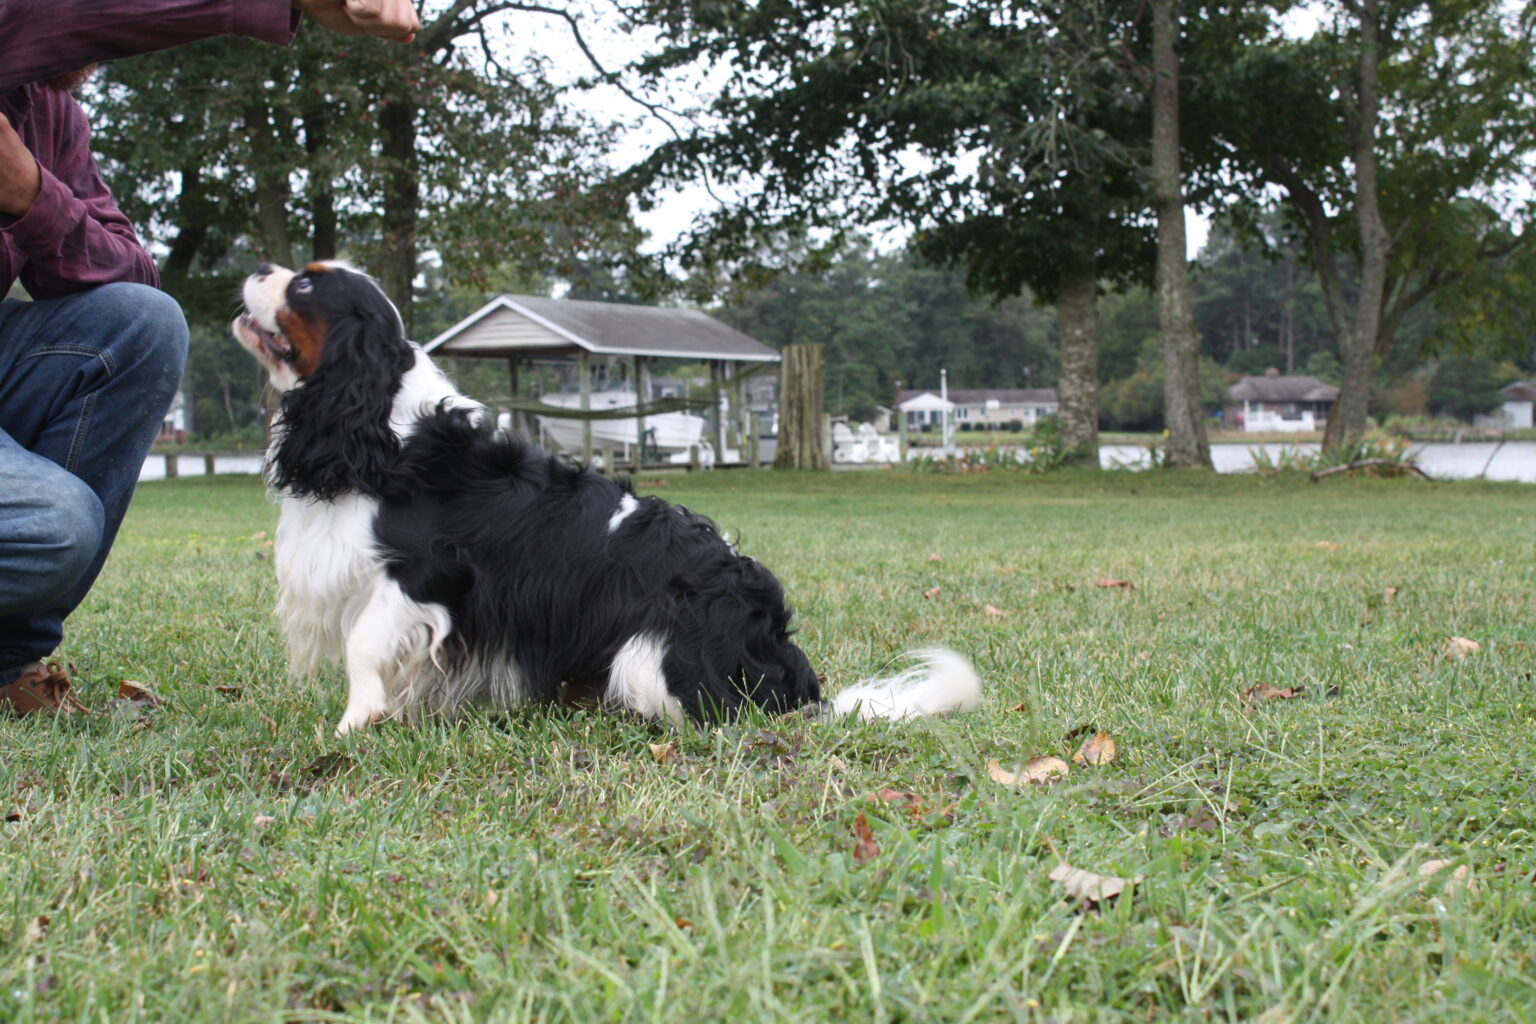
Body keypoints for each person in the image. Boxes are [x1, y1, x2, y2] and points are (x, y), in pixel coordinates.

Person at [0, 0, 421, 715]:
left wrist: (34, 197)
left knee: (146, 322)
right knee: (52, 528)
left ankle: (7, 660)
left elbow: (131, 274)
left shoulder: (51, 113)